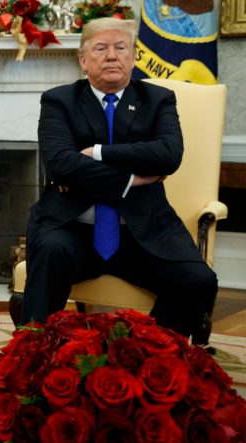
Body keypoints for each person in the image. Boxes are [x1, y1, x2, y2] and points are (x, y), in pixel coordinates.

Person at [21, 18, 218, 340]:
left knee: (198, 280)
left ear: (134, 56)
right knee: (50, 254)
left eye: (121, 47)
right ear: (83, 60)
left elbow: (169, 155)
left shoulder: (158, 99)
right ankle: (33, 359)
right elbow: (61, 165)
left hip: (143, 231)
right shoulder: (59, 101)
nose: (112, 56)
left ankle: (152, 355)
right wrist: (132, 179)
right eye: (101, 48)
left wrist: (98, 152)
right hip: (73, 228)